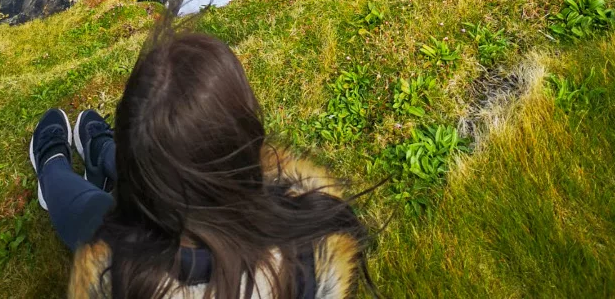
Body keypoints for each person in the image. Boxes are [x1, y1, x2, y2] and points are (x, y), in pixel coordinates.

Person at [29, 29, 374, 299]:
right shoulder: (309, 245)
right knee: (171, 167)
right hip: (197, 204)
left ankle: (53, 166)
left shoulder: (122, 276)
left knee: (90, 210)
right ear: (248, 142)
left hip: (148, 233)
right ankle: (105, 154)